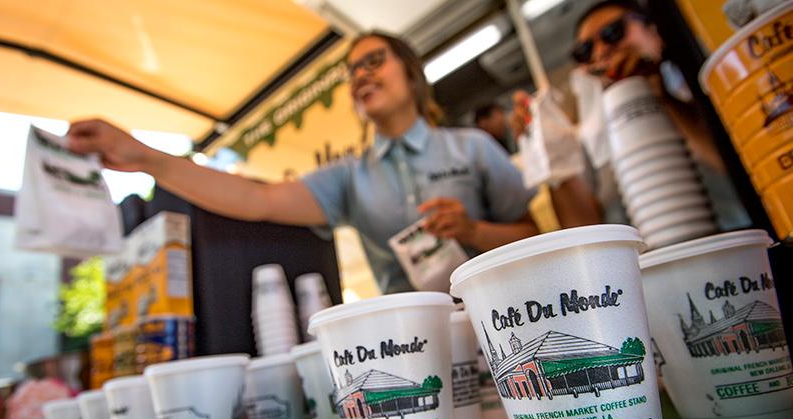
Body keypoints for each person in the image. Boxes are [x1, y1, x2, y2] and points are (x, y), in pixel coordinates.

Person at [68, 32, 601, 294]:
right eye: (352, 70)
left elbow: (532, 235)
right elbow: (256, 200)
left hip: (510, 325)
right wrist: (146, 157)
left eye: (374, 61)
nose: (361, 74)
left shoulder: (472, 148)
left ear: (411, 74)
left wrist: (472, 229)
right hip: (422, 346)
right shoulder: (350, 177)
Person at [566, 0, 751, 229]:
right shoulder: (589, 139)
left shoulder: (705, 85)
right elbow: (583, 226)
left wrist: (661, 96)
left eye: (613, 32)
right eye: (585, 51)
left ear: (652, 28)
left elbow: (739, 170)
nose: (601, 51)